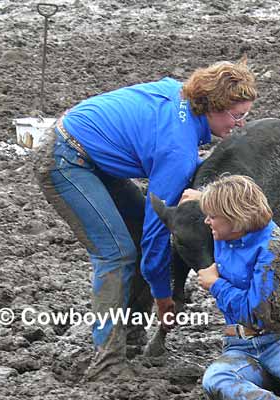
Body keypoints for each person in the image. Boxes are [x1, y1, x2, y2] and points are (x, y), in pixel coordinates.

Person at [35, 60, 257, 380]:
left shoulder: (180, 94)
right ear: (213, 106)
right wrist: (162, 293)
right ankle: (107, 362)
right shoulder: (178, 150)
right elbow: (157, 231)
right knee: (116, 252)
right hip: (64, 159)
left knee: (135, 238)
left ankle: (131, 335)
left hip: (92, 153)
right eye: (237, 115)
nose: (240, 123)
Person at [196, 175, 280, 400]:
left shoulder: (272, 246)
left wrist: (215, 284)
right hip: (240, 346)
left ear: (234, 218)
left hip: (279, 341)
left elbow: (258, 313)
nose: (207, 221)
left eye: (212, 216)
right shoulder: (225, 234)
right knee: (216, 380)